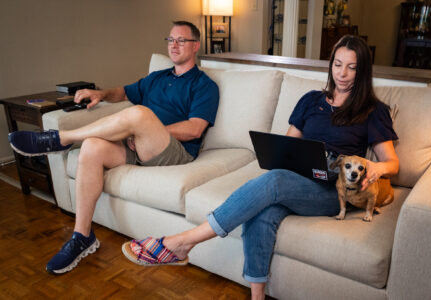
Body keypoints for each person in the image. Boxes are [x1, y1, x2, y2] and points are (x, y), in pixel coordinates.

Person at [121, 35, 399, 300]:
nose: (342, 73)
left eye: (351, 67)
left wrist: (377, 168)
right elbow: (290, 145)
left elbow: (392, 163)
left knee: (275, 182)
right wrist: (283, 156)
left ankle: (183, 242)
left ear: (362, 71)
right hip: (301, 178)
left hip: (335, 188)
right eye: (337, 65)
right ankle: (257, 296)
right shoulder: (311, 100)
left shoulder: (373, 110)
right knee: (263, 209)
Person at [8, 21, 219, 275]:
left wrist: (143, 129)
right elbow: (123, 92)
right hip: (140, 146)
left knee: (139, 114)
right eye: (170, 39)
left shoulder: (204, 84)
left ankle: (59, 138)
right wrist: (100, 94)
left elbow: (195, 129)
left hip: (175, 151)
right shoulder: (158, 77)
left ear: (195, 45)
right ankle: (82, 236)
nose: (174, 45)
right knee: (91, 147)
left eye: (181, 40)